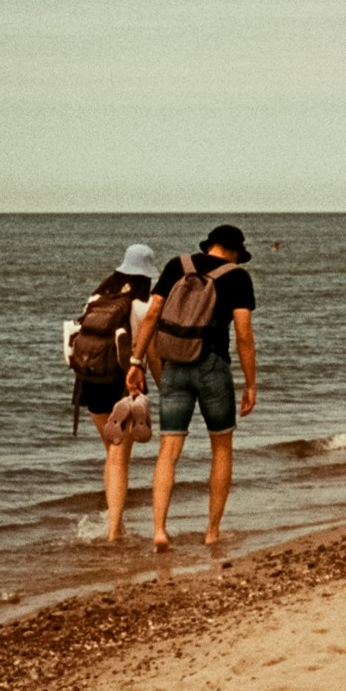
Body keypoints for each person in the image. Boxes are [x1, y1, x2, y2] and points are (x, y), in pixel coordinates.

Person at [129, 223, 257, 550]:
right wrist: (251, 383)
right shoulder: (237, 277)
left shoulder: (177, 265)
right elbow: (243, 334)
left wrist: (136, 362)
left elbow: (152, 315)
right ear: (233, 251)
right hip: (213, 367)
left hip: (173, 367)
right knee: (222, 448)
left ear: (209, 245)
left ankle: (159, 531)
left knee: (168, 451)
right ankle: (212, 532)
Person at [67, 243, 157, 541]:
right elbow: (151, 353)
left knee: (111, 453)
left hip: (90, 382)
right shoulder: (142, 307)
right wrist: (162, 384)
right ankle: (114, 532)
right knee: (120, 457)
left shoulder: (96, 297)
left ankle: (116, 523)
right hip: (122, 385)